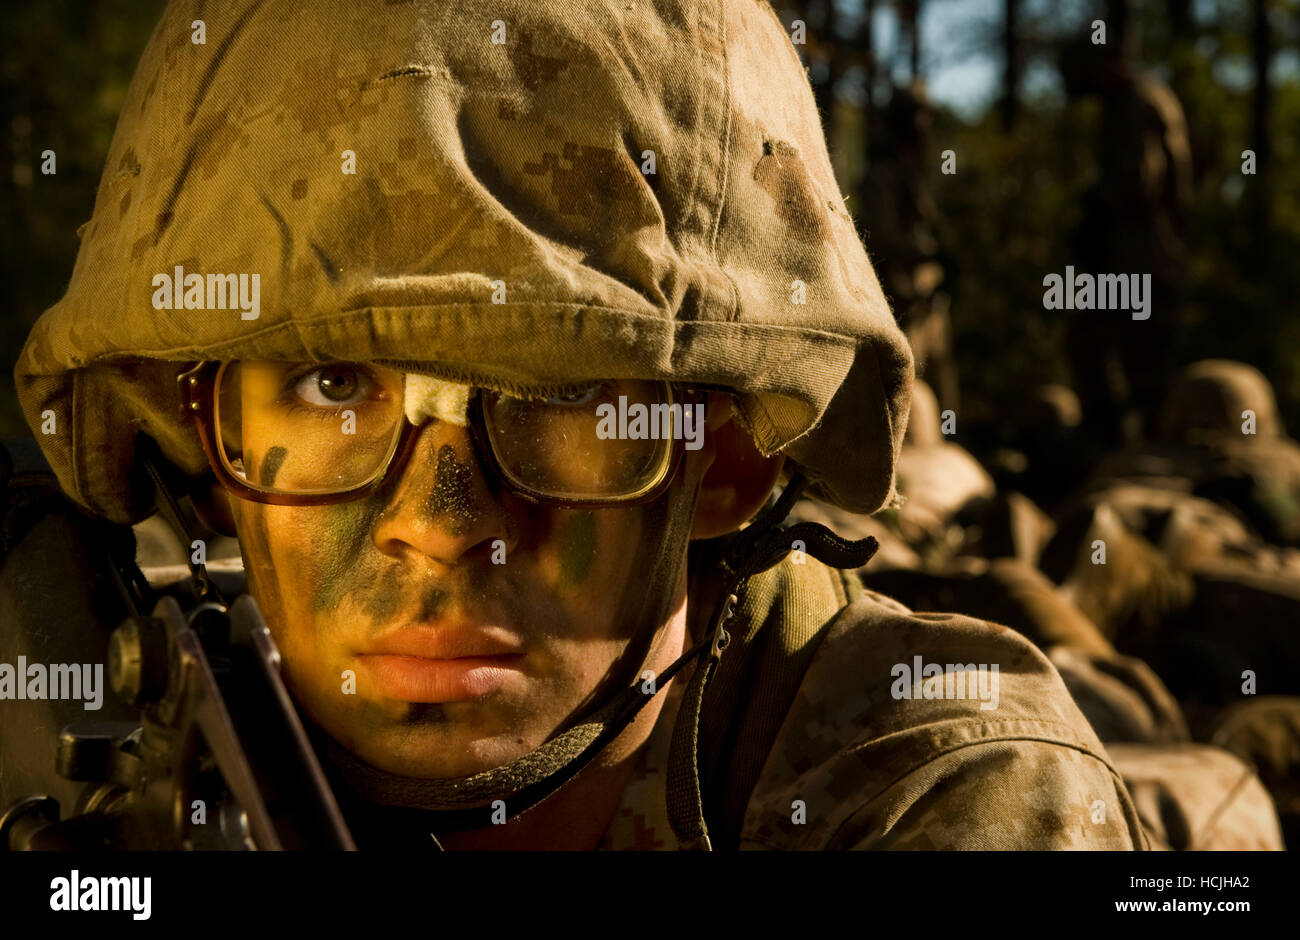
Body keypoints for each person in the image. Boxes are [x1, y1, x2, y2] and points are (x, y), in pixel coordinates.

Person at [10, 0, 1151, 850]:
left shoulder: (938, 781)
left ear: (729, 456)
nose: (442, 525)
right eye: (331, 386)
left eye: (563, 394)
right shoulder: (81, 695)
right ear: (199, 441)